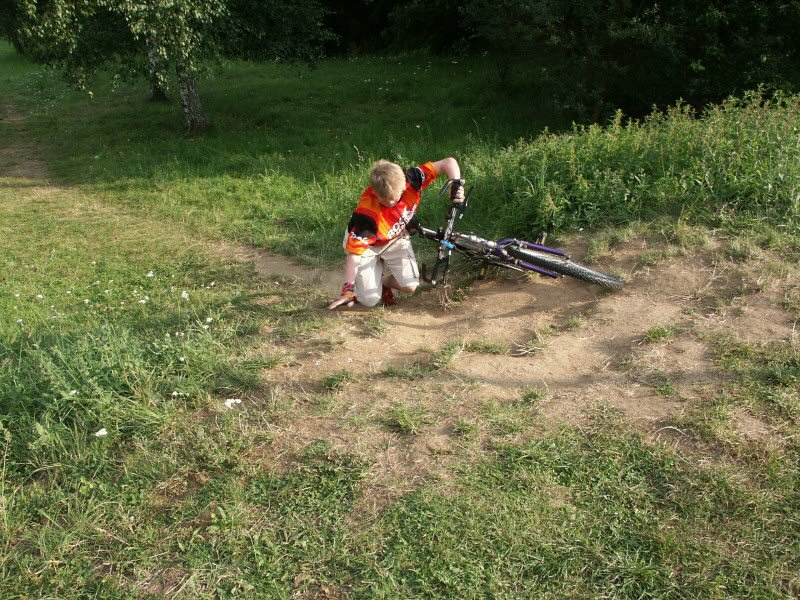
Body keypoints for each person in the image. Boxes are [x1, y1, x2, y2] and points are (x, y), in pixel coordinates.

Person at [327, 157, 465, 309]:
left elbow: (448, 163)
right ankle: (370, 285)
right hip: (368, 247)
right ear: (375, 192)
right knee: (369, 300)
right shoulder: (366, 217)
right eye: (384, 200)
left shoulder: (412, 179)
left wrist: (456, 184)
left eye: (394, 198)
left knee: (410, 286)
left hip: (394, 237)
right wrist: (347, 291)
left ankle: (383, 282)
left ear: (404, 185)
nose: (390, 203)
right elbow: (354, 255)